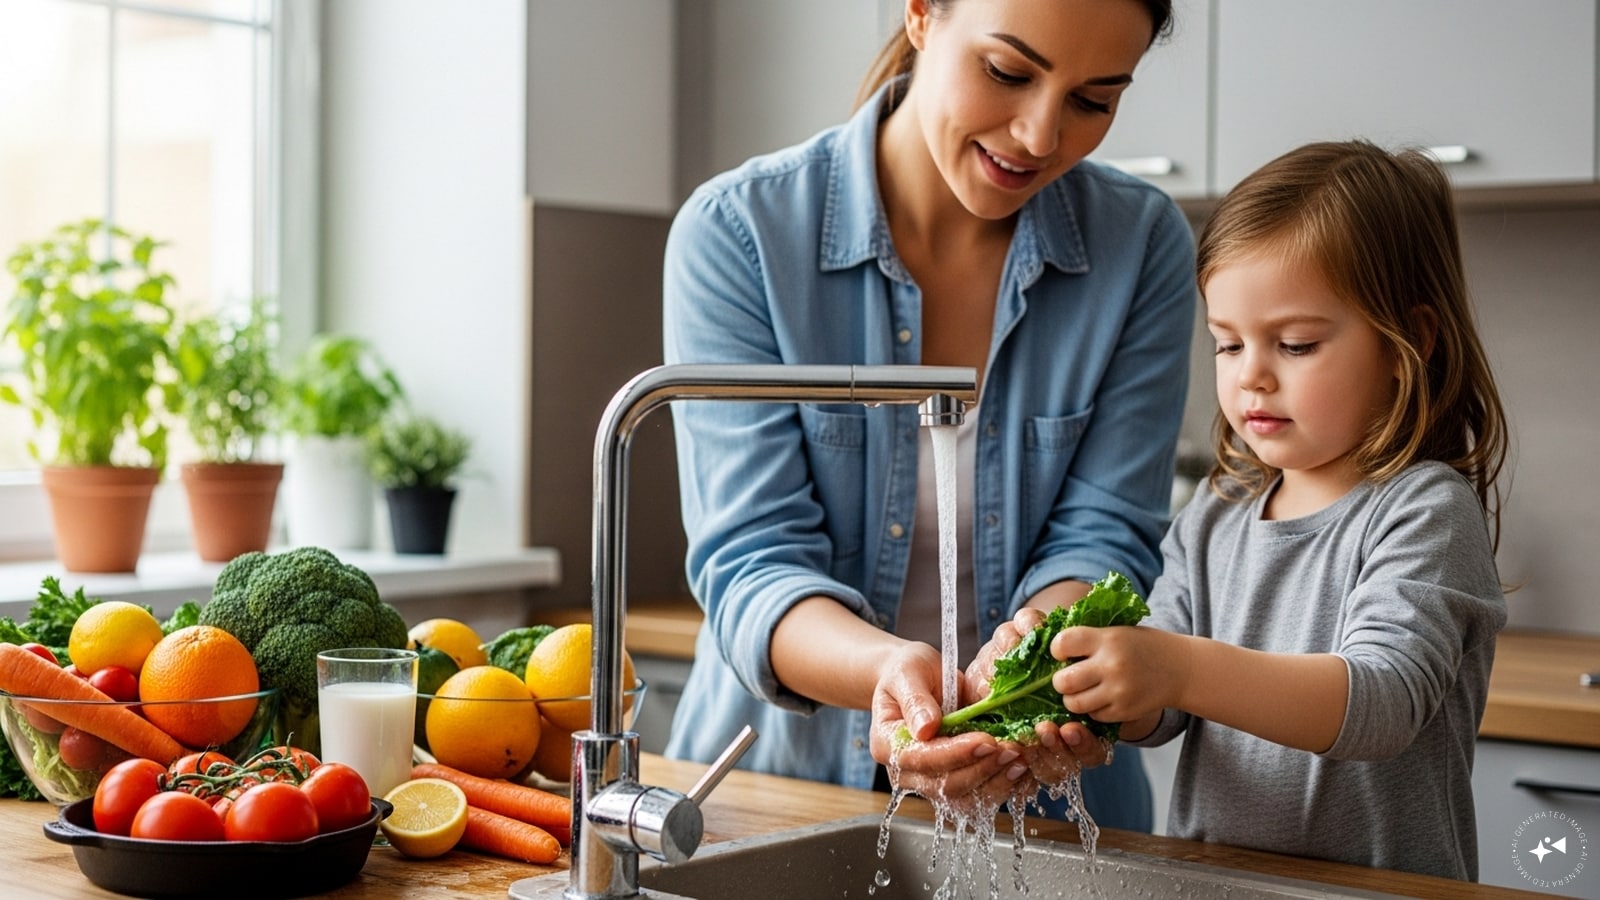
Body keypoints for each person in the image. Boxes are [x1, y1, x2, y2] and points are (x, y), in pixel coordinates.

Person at [661, 0, 1193, 832]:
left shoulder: (1141, 245)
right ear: (919, 14)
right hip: (785, 794)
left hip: (1044, 790)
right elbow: (753, 563)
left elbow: (1106, 535)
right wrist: (893, 674)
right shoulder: (741, 234)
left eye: (1094, 100)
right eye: (1007, 72)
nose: (1039, 135)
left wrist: (1020, 681)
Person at [1022, 140, 1509, 879]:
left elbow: (1381, 703)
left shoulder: (1424, 511)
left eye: (1296, 344)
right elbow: (1164, 710)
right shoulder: (1217, 512)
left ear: (1410, 340)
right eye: (1226, 345)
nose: (1252, 376)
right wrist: (1096, 685)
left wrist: (1176, 668)